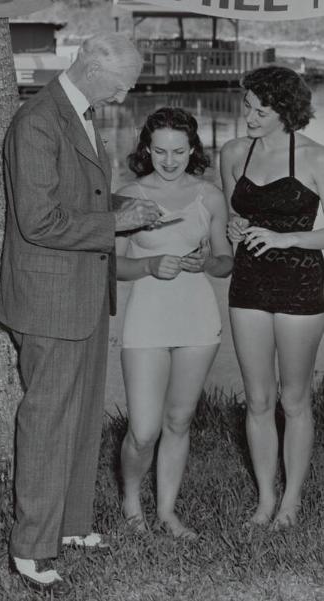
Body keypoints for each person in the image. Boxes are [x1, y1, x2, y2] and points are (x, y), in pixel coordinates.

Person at [0, 32, 162, 594]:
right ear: (93, 66)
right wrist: (119, 223)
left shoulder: (81, 112)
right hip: (48, 299)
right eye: (124, 80)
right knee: (46, 422)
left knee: (83, 413)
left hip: (83, 292)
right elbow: (38, 221)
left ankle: (70, 525)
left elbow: (80, 199)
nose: (129, 90)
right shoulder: (38, 122)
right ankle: (30, 548)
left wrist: (124, 206)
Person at [116, 107, 233, 538]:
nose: (169, 161)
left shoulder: (211, 195)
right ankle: (131, 502)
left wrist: (208, 261)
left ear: (192, 150)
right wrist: (148, 265)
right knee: (144, 430)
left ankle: (166, 512)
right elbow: (110, 267)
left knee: (179, 422)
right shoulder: (128, 195)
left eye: (178, 152)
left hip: (198, 318)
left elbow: (225, 262)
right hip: (146, 318)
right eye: (160, 151)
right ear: (147, 149)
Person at [220, 65, 324, 529]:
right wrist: (234, 227)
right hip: (247, 285)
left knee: (294, 399)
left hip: (302, 284)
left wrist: (289, 240)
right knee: (258, 399)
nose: (249, 117)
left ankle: (292, 502)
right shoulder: (233, 152)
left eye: (260, 110)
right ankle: (265, 499)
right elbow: (231, 217)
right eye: (246, 106)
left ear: (286, 111)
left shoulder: (315, 156)